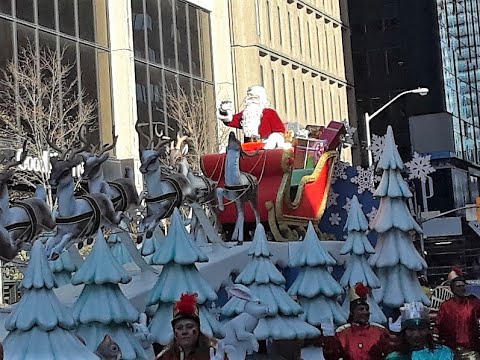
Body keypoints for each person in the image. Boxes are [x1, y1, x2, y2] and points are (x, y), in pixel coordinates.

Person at [319, 283, 398, 360]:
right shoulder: (342, 334)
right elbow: (331, 357)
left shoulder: (380, 332)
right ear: (353, 312)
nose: (365, 312)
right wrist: (328, 339)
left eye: (367, 309)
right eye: (361, 309)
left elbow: (392, 355)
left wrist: (396, 334)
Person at [156, 293, 224, 360]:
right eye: (179, 328)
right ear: (174, 332)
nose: (184, 332)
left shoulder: (213, 353)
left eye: (189, 327)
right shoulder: (166, 357)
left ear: (198, 329)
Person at [216, 85, 286, 149]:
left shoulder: (270, 113)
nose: (252, 100)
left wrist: (271, 141)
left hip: (266, 150)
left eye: (255, 97)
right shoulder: (246, 114)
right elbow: (230, 120)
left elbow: (279, 131)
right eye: (250, 97)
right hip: (248, 150)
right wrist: (224, 110)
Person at [436, 267, 480, 359]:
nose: (462, 288)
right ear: (453, 289)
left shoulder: (473, 303)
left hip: (472, 348)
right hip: (452, 349)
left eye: (463, 286)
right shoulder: (446, 306)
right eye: (458, 286)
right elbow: (439, 325)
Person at [386, 302, 455, 359]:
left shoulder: (444, 354)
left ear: (429, 330)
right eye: (411, 329)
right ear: (404, 331)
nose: (417, 334)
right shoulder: (394, 358)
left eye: (421, 329)